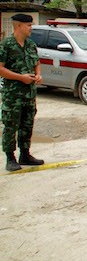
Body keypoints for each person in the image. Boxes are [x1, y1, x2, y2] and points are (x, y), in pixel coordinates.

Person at [0, 14, 45, 171]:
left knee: (27, 124)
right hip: (13, 96)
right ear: (18, 26)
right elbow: (0, 69)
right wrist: (21, 78)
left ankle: (25, 154)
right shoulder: (6, 45)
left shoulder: (31, 45)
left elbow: (37, 63)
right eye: (28, 25)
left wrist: (38, 74)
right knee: (11, 126)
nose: (31, 28)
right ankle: (10, 158)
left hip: (29, 94)